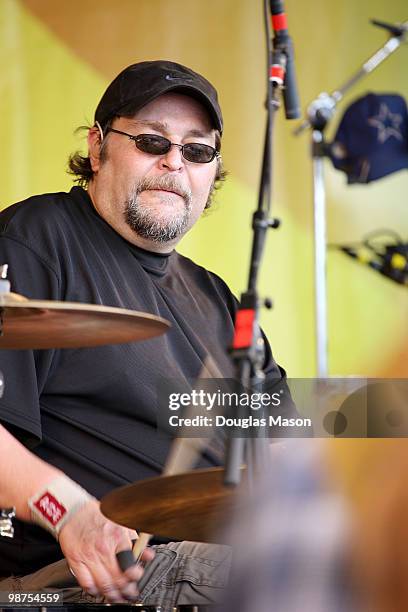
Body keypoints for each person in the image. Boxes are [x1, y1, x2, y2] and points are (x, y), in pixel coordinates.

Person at [0, 60, 288, 609]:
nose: (174, 162)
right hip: (86, 578)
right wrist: (72, 513)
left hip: (212, 557)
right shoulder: (37, 239)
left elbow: (281, 443)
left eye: (197, 150)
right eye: (152, 140)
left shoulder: (218, 299)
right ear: (98, 145)